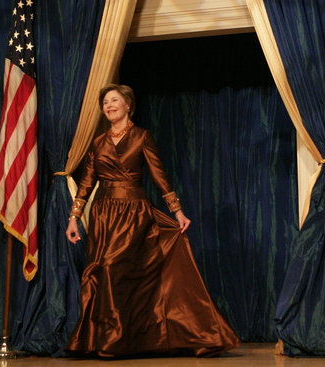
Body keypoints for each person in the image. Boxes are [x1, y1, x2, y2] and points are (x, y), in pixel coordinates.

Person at [64, 84, 240, 357]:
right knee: (101, 274)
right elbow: (86, 183)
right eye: (105, 102)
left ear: (128, 105)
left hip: (134, 214)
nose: (109, 105)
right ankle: (112, 340)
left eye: (114, 100)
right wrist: (74, 217)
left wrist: (177, 211)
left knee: (112, 269)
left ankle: (115, 341)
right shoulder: (97, 143)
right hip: (103, 215)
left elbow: (159, 176)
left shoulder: (141, 137)